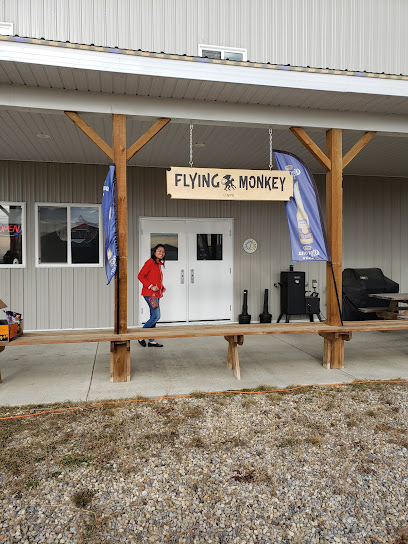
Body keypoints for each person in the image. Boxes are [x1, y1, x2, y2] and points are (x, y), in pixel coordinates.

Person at [137, 244, 166, 347]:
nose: (161, 253)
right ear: (154, 252)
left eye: (163, 251)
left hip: (156, 294)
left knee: (152, 316)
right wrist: (150, 286)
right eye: (159, 251)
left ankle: (151, 340)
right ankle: (140, 334)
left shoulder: (158, 264)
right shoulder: (150, 262)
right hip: (150, 295)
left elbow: (156, 279)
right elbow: (140, 276)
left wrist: (162, 287)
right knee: (156, 316)